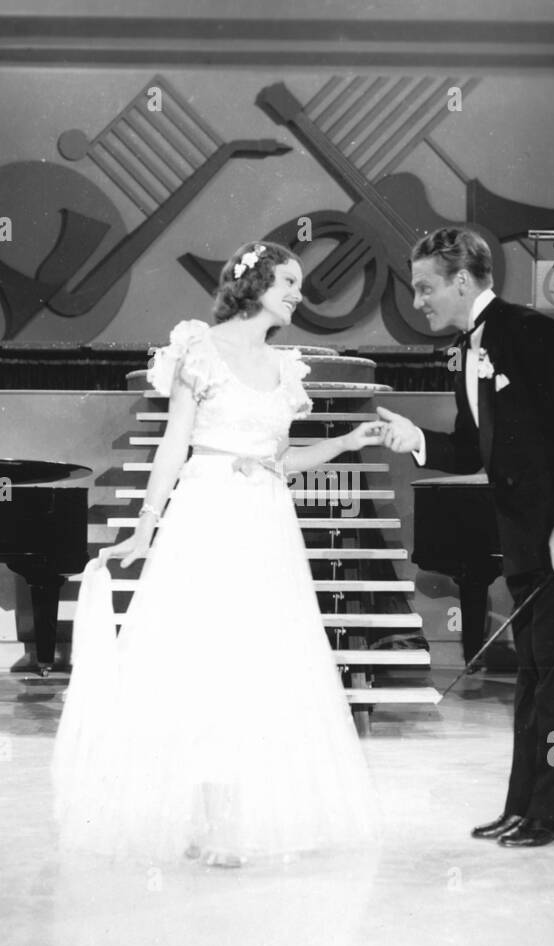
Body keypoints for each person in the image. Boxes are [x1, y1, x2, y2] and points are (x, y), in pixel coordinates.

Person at [52, 241, 384, 865]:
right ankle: (208, 822)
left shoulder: (286, 369)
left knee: (256, 661)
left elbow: (281, 461)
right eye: (289, 281)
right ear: (254, 282)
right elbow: (174, 446)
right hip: (206, 514)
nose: (298, 294)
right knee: (203, 658)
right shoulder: (198, 351)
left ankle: (231, 824)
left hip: (266, 521)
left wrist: (346, 440)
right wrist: (147, 524)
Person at [377, 227, 554, 849]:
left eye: (427, 287)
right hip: (522, 538)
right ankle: (523, 808)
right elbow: (471, 443)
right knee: (535, 682)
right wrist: (419, 441)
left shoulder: (530, 330)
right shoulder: (467, 350)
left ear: (463, 280)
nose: (420, 300)